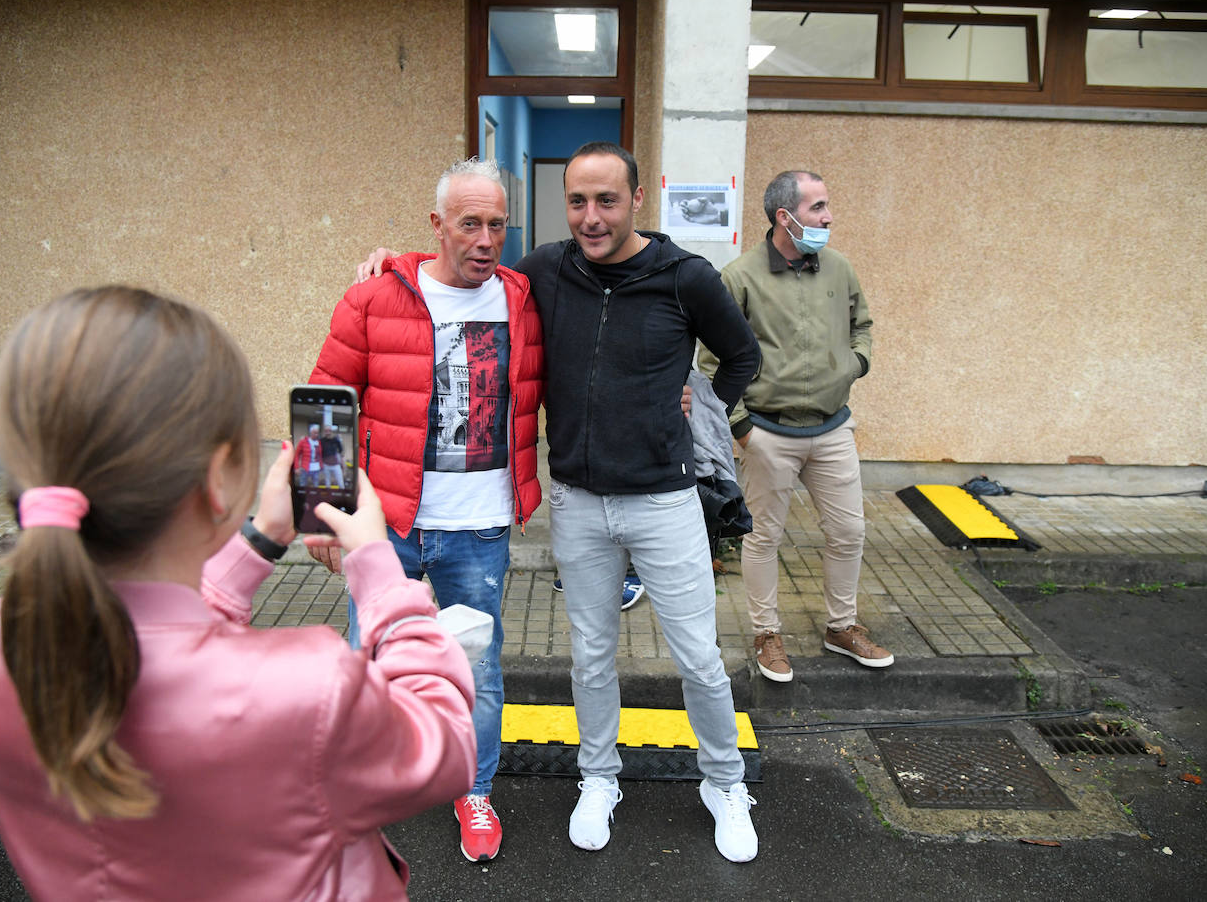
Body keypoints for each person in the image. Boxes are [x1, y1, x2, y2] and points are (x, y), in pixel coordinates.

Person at [0, 286, 477, 901]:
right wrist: (380, 574)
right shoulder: (309, 684)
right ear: (215, 479)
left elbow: (163, 632)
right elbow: (444, 743)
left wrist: (260, 540)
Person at [367, 143, 763, 861]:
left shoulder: (686, 278)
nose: (590, 217)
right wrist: (394, 262)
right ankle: (597, 776)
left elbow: (743, 356)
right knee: (590, 658)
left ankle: (725, 782)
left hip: (666, 501)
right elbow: (459, 272)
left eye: (606, 201)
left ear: (635, 199)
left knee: (700, 658)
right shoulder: (545, 271)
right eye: (577, 201)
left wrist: (702, 404)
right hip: (577, 503)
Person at [308, 158, 544, 863]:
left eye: (497, 224)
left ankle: (472, 791)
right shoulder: (375, 299)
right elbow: (325, 400)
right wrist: (323, 508)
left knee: (480, 671)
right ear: (436, 226)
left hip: (480, 527)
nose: (485, 238)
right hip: (390, 526)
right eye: (469, 223)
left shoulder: (522, 298)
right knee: (370, 660)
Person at [698, 170, 893, 683]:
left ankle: (841, 626)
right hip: (768, 432)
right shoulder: (738, 277)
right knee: (762, 538)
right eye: (818, 208)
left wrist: (855, 363)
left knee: (849, 531)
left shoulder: (839, 269)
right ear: (785, 217)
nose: (828, 217)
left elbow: (862, 325)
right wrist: (740, 427)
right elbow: (712, 359)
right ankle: (766, 633)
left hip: (832, 429)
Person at [295, 422, 322, 486]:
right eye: (314, 433)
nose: (316, 434)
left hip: (316, 469)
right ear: (311, 433)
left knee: (316, 486)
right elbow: (296, 454)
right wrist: (296, 467)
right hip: (305, 468)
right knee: (303, 485)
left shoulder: (319, 442)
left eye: (317, 433)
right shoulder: (303, 441)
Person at [319, 424, 345, 488]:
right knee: (327, 483)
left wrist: (342, 462)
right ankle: (329, 496)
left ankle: (343, 495)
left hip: (336, 464)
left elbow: (341, 450)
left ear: (331, 431)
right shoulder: (321, 440)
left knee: (340, 482)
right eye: (326, 431)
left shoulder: (336, 440)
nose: (328, 432)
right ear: (324, 432)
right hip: (326, 465)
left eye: (329, 430)